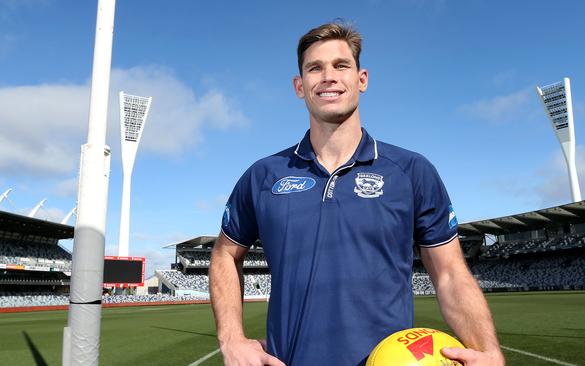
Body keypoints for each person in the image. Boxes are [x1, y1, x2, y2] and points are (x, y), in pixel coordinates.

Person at [209, 22, 505, 366]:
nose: (328, 77)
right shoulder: (263, 175)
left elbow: (450, 273)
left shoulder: (411, 171)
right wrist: (231, 339)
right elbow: (224, 255)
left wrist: (489, 351)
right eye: (314, 68)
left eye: (341, 65)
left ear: (361, 79)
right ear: (299, 86)